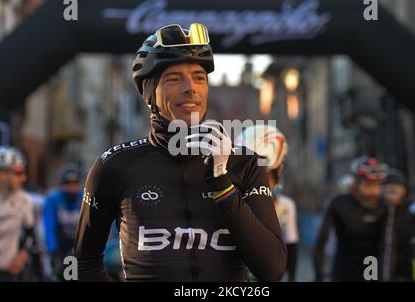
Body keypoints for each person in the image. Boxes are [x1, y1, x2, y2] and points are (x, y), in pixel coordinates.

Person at [74, 23, 286, 282]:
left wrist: (222, 184)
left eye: (199, 77)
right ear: (150, 94)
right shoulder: (113, 165)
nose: (191, 88)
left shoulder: (244, 164)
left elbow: (273, 268)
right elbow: (84, 262)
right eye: (174, 78)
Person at [235, 124, 299, 282]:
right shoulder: (285, 205)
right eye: (255, 175)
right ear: (281, 169)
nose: (260, 183)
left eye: (265, 176)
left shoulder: (286, 205)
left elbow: (292, 247)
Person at [313, 156, 388, 281]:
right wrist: (318, 275)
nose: (373, 192)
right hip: (343, 273)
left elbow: (390, 247)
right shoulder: (338, 204)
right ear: (356, 185)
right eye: (368, 185)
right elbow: (320, 243)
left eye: (377, 186)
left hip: (372, 272)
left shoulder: (384, 207)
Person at [0, 146, 36, 282]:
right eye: (18, 172)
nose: (23, 178)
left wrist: (22, 256)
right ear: (1, 173)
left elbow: (31, 235)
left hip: (8, 272)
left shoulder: (24, 200)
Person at [43, 162, 82, 280]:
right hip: (60, 247)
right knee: (60, 276)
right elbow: (49, 226)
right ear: (62, 184)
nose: (71, 188)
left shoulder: (85, 199)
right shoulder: (53, 200)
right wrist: (53, 250)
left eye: (74, 184)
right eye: (67, 184)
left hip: (80, 248)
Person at [381, 169, 412, 281]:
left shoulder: (412, 210)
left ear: (404, 189)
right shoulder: (377, 211)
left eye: (395, 185)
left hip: (407, 269)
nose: (391, 189)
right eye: (387, 186)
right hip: (379, 268)